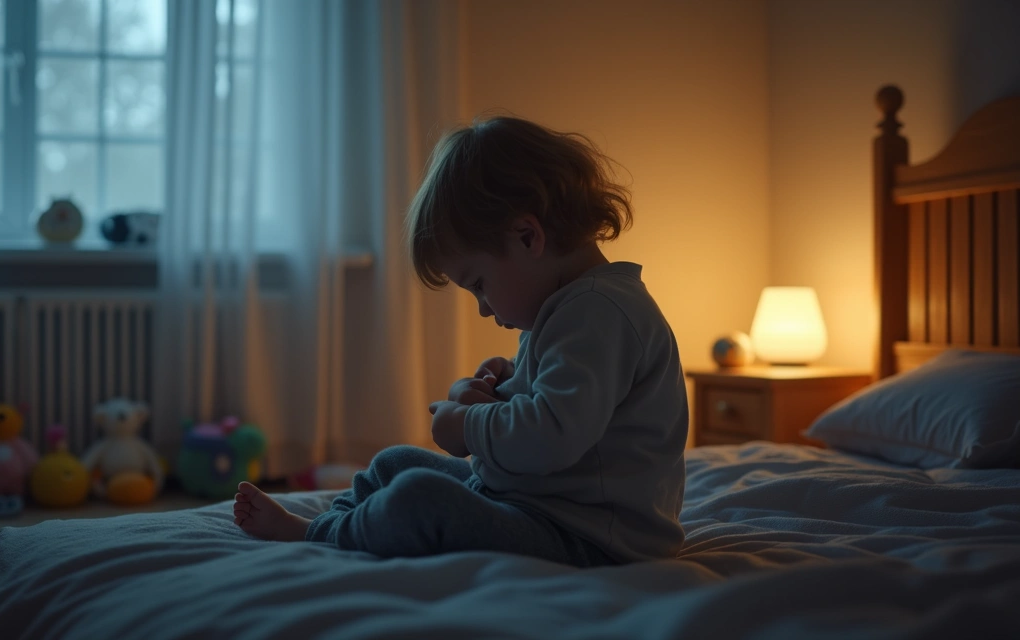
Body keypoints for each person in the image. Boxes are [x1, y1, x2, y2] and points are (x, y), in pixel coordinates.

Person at [233, 116, 688, 568]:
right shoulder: (571, 308)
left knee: (419, 498)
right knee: (396, 463)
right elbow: (559, 405)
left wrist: (467, 425)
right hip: (541, 501)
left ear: (528, 237)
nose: (484, 309)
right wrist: (500, 387)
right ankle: (342, 525)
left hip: (588, 536)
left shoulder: (598, 313)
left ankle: (317, 534)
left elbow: (553, 435)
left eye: (479, 284)